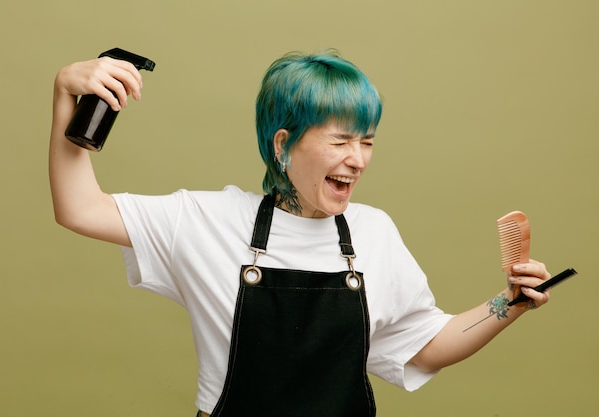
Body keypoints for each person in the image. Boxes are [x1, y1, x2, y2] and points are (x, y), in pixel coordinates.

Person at [49, 50, 551, 417]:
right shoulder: (208, 220)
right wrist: (64, 92)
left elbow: (426, 345)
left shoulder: (373, 232)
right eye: (340, 140)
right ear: (283, 145)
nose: (357, 159)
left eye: (367, 141)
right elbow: (80, 208)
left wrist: (509, 303)